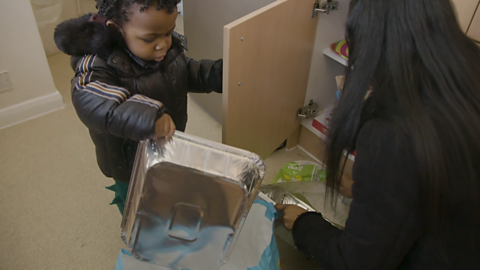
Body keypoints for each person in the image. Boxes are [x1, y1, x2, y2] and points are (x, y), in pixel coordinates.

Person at [275, 0, 480, 269]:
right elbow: (440, 181)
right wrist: (367, 188)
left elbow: (357, 263)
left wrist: (304, 224)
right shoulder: (468, 67)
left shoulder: (391, 135)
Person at [54, 0, 222, 215]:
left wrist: (216, 74)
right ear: (116, 28)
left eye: (169, 33)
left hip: (164, 146)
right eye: (150, 38)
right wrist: (148, 116)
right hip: (128, 160)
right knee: (137, 207)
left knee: (165, 187)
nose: (163, 44)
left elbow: (185, 72)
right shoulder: (98, 60)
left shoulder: (165, 50)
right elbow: (89, 95)